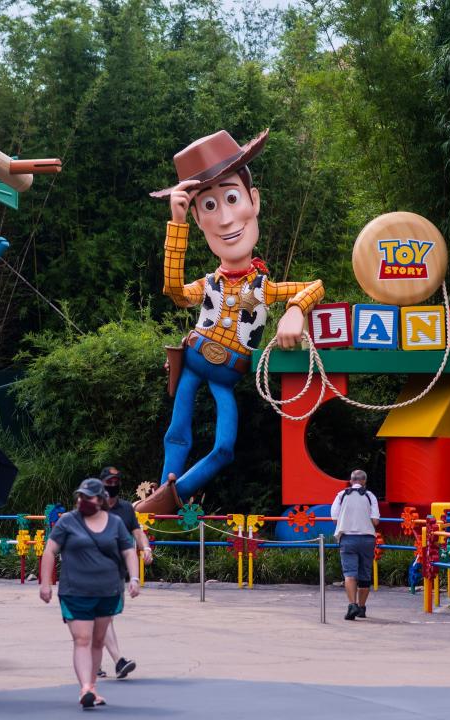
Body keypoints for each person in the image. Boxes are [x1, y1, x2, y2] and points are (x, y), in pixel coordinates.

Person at [138, 129, 324, 512]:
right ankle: (160, 502)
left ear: (253, 201)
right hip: (193, 359)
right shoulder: (208, 284)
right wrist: (176, 223)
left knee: (224, 447)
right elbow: (174, 291)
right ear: (197, 218)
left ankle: (168, 500)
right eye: (208, 206)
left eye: (232, 198)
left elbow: (315, 286)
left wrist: (294, 310)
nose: (223, 218)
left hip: (229, 372)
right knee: (177, 434)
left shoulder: (264, 288)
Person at [40, 478, 140, 709]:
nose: (83, 501)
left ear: (101, 500)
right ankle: (85, 687)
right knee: (82, 639)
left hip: (107, 591)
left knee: (97, 641)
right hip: (75, 591)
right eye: (80, 496)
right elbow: (49, 552)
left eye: (89, 497)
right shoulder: (67, 523)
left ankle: (92, 687)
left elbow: (128, 552)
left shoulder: (114, 523)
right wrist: (45, 583)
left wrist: (134, 578)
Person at [97, 466, 153, 680]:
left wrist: (146, 548)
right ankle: (118, 661)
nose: (112, 486)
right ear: (101, 484)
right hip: (94, 570)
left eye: (115, 482)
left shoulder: (127, 509)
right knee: (104, 617)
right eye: (108, 483)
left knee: (103, 617)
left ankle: (94, 662)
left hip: (116, 571)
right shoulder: (93, 507)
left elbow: (137, 534)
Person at [330, 469, 380, 620]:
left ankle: (352, 605)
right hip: (367, 539)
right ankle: (362, 608)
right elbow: (375, 521)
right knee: (365, 574)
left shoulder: (341, 495)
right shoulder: (370, 496)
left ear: (351, 480)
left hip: (347, 539)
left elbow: (334, 518)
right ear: (364, 481)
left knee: (350, 574)